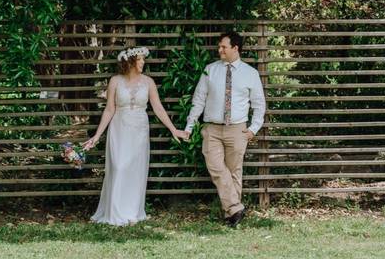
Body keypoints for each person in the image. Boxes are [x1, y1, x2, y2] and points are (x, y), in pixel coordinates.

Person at [83, 46, 189, 225]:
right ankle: (114, 213)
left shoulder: (148, 82)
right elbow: (109, 109)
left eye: (143, 59)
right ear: (130, 62)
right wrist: (96, 136)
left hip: (139, 129)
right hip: (119, 128)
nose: (143, 62)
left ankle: (131, 212)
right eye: (140, 60)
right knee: (118, 166)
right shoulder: (115, 81)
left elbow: (158, 108)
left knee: (135, 169)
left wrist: (173, 129)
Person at [184, 31, 266, 227]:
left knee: (234, 171)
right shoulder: (210, 70)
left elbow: (259, 104)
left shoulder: (250, 73)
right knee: (216, 168)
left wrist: (254, 128)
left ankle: (232, 216)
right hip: (212, 129)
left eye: (223, 47)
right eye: (219, 46)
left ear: (235, 48)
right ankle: (236, 208)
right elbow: (198, 100)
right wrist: (189, 125)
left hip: (237, 129)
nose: (219, 50)